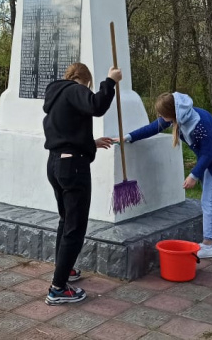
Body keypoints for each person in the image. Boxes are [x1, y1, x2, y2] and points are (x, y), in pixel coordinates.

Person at [42, 62, 122, 305]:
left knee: (66, 221)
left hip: (56, 163)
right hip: (73, 167)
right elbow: (96, 106)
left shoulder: (55, 96)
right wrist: (110, 81)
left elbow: (67, 132)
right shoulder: (75, 88)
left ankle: (64, 270)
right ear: (84, 80)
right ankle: (57, 288)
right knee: (75, 227)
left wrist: (90, 142)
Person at [120, 92, 212, 258]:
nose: (159, 116)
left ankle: (208, 245)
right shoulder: (179, 116)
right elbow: (153, 127)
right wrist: (129, 137)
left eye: (162, 114)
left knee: (208, 201)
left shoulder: (199, 122)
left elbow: (209, 154)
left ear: (172, 113)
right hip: (210, 159)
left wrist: (193, 175)